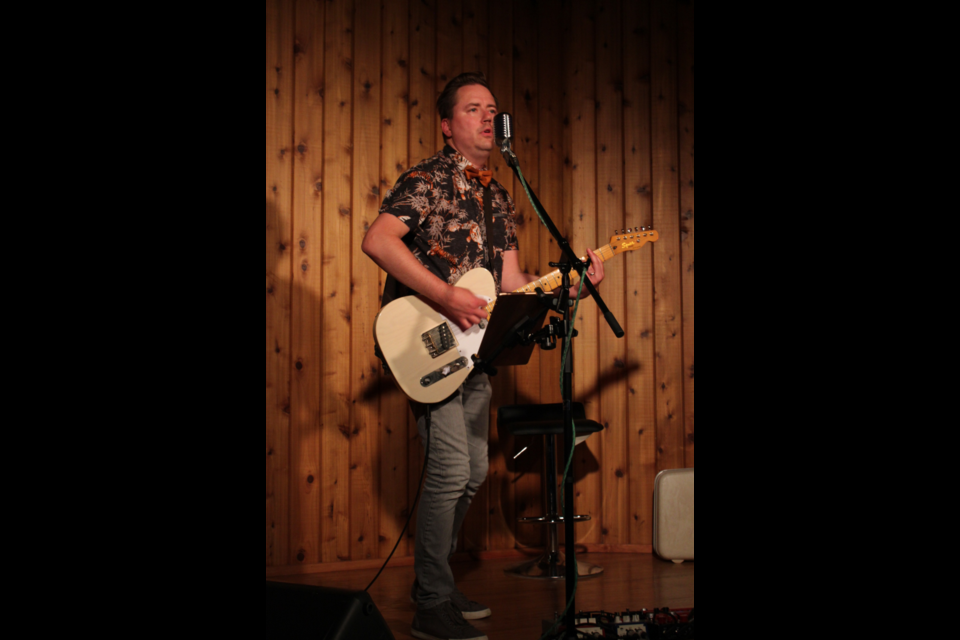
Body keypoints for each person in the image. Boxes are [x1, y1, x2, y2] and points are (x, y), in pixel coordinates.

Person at [362, 72, 604, 640]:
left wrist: (574, 288)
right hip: (429, 342)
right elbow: (378, 240)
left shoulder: (499, 195)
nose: (487, 117)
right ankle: (431, 603)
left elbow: (514, 282)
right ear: (449, 127)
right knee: (449, 471)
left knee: (471, 471)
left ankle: (438, 582)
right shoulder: (428, 179)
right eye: (473, 109)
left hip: (475, 350)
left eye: (493, 109)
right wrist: (446, 295)